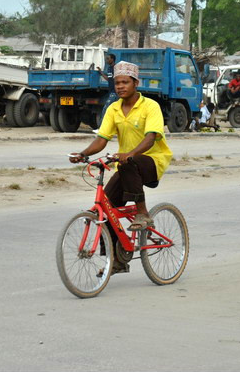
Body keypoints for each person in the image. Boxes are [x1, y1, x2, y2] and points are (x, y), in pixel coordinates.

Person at [69, 61, 173, 273]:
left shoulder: (150, 106)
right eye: (117, 83)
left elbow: (151, 138)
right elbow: (101, 140)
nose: (120, 86)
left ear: (136, 83)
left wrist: (130, 154)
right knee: (105, 209)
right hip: (126, 164)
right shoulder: (113, 109)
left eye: (125, 82)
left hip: (152, 161)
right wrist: (83, 154)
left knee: (126, 162)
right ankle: (117, 260)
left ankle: (142, 212)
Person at [95, 53, 117, 133]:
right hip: (111, 92)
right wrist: (101, 72)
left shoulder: (116, 68)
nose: (107, 60)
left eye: (108, 59)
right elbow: (108, 79)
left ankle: (101, 129)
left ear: (112, 59)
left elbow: (117, 79)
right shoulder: (109, 68)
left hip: (115, 93)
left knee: (105, 110)